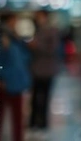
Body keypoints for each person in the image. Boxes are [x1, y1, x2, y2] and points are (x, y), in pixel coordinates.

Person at [0, 12, 31, 141]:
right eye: (13, 21)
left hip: (16, 83)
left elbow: (24, 59)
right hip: (2, 83)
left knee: (18, 117)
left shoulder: (15, 40)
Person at [28, 9, 61, 137]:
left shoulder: (51, 31)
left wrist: (37, 46)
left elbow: (52, 49)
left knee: (45, 98)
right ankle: (33, 124)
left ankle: (43, 124)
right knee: (35, 98)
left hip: (47, 70)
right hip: (36, 70)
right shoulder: (37, 30)